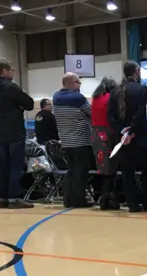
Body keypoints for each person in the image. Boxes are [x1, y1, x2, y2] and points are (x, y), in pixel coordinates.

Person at [108, 61, 147, 212]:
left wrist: (123, 132)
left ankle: (132, 205)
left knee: (127, 173)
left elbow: (110, 117)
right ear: (136, 71)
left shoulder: (115, 91)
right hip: (140, 138)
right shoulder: (141, 89)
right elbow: (139, 114)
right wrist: (131, 131)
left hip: (123, 140)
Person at [0, 58, 35, 209]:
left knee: (3, 166)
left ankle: (3, 198)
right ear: (4, 71)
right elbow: (29, 103)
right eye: (11, 70)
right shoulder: (11, 87)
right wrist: (19, 106)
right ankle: (14, 197)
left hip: (0, 131)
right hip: (14, 130)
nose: (13, 73)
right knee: (16, 165)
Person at [53, 72, 93, 208]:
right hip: (81, 141)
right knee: (81, 171)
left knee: (71, 170)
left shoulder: (56, 97)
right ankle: (79, 199)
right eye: (78, 82)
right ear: (71, 83)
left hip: (66, 141)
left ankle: (68, 199)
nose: (79, 85)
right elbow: (92, 113)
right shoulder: (78, 98)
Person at [90, 76, 119, 211]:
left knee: (102, 168)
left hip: (96, 134)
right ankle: (107, 200)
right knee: (110, 169)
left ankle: (104, 198)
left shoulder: (95, 99)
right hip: (108, 133)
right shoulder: (110, 98)